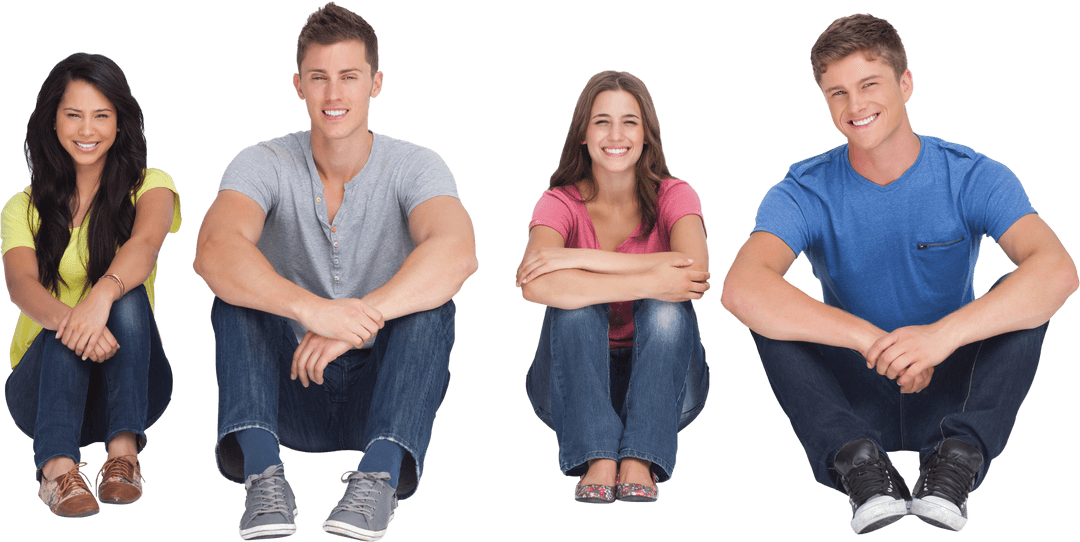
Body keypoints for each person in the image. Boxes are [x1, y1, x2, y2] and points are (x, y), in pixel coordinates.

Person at [721, 13, 1078, 535]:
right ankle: (858, 464)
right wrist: (872, 342)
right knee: (769, 311)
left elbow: (1058, 270)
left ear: (905, 83)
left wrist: (938, 339)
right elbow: (742, 287)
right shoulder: (802, 190)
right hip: (851, 396)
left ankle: (956, 460)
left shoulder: (973, 175)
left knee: (1025, 297)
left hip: (951, 387)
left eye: (869, 85)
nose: (855, 106)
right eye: (837, 93)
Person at [193, 3, 476, 540]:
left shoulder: (417, 164)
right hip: (290, 386)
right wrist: (314, 311)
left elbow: (457, 251)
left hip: (386, 392)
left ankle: (379, 476)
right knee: (235, 295)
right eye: (319, 78)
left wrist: (356, 321)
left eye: (349, 76)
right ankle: (262, 476)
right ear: (298, 85)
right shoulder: (262, 161)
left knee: (433, 304)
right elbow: (214, 249)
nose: (333, 94)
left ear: (376, 84)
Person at [516, 70, 711, 505]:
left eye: (630, 122)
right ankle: (598, 455)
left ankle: (641, 456)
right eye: (602, 121)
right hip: (570, 386)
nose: (616, 135)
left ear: (646, 135)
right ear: (583, 134)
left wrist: (577, 259)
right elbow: (533, 283)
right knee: (576, 309)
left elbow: (695, 272)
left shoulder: (675, 194)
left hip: (666, 387)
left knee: (665, 309)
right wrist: (654, 276)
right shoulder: (559, 201)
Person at [1, 52, 181, 519]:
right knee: (62, 326)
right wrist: (75, 320)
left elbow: (144, 245)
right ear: (53, 121)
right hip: (43, 392)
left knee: (126, 292)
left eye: (101, 115)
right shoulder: (22, 207)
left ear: (120, 122)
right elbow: (20, 284)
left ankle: (123, 453)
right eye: (73, 115)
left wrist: (102, 294)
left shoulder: (151, 185)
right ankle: (57, 468)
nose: (87, 129)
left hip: (132, 387)